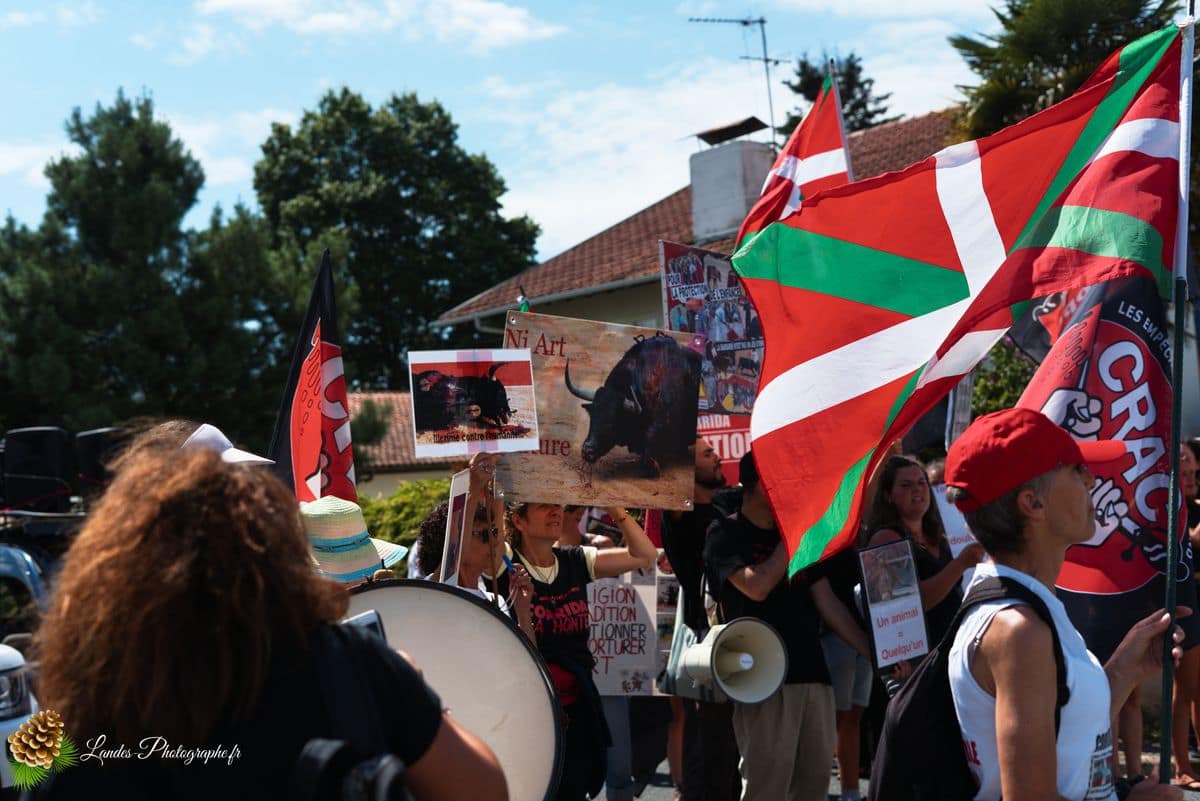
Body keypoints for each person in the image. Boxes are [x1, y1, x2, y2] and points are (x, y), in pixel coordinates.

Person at [31, 446, 508, 800]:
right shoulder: (349, 664)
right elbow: (485, 791)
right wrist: (417, 696)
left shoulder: (89, 705)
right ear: (276, 555)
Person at [943, 407, 1185, 801]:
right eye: (1075, 470)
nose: (1091, 480)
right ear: (1032, 504)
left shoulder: (1026, 606)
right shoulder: (1018, 629)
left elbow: (1068, 741)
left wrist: (1123, 671)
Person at [704, 450, 870, 801]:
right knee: (767, 788)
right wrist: (794, 538)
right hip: (762, 680)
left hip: (814, 675)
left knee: (813, 788)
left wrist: (874, 652)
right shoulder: (724, 532)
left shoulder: (798, 538)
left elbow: (828, 605)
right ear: (760, 483)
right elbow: (757, 585)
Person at [504, 499, 659, 801]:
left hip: (577, 707)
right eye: (542, 506)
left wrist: (614, 506)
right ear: (519, 521)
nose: (555, 511)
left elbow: (646, 555)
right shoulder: (506, 565)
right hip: (530, 709)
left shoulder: (575, 560)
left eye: (557, 505)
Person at [660, 437, 741, 801]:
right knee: (708, 750)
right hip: (704, 643)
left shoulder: (725, 506)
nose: (718, 457)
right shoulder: (681, 514)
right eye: (707, 455)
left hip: (737, 640)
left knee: (729, 752)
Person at [865, 456, 985, 644]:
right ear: (888, 496)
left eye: (922, 482)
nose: (917, 489)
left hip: (956, 643)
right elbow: (907, 606)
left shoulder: (936, 535)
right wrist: (960, 564)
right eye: (906, 485)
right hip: (922, 656)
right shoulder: (885, 539)